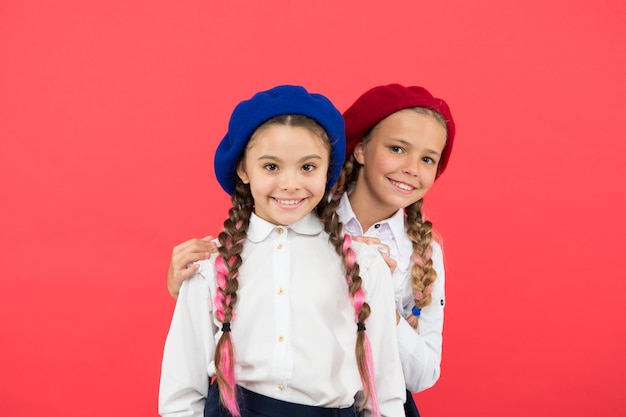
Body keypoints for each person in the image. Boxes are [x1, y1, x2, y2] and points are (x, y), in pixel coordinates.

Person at [167, 84, 455, 417]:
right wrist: (184, 285)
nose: (291, 183)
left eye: (428, 158)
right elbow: (184, 381)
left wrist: (372, 300)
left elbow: (402, 383)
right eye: (397, 148)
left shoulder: (382, 257)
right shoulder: (243, 245)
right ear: (358, 151)